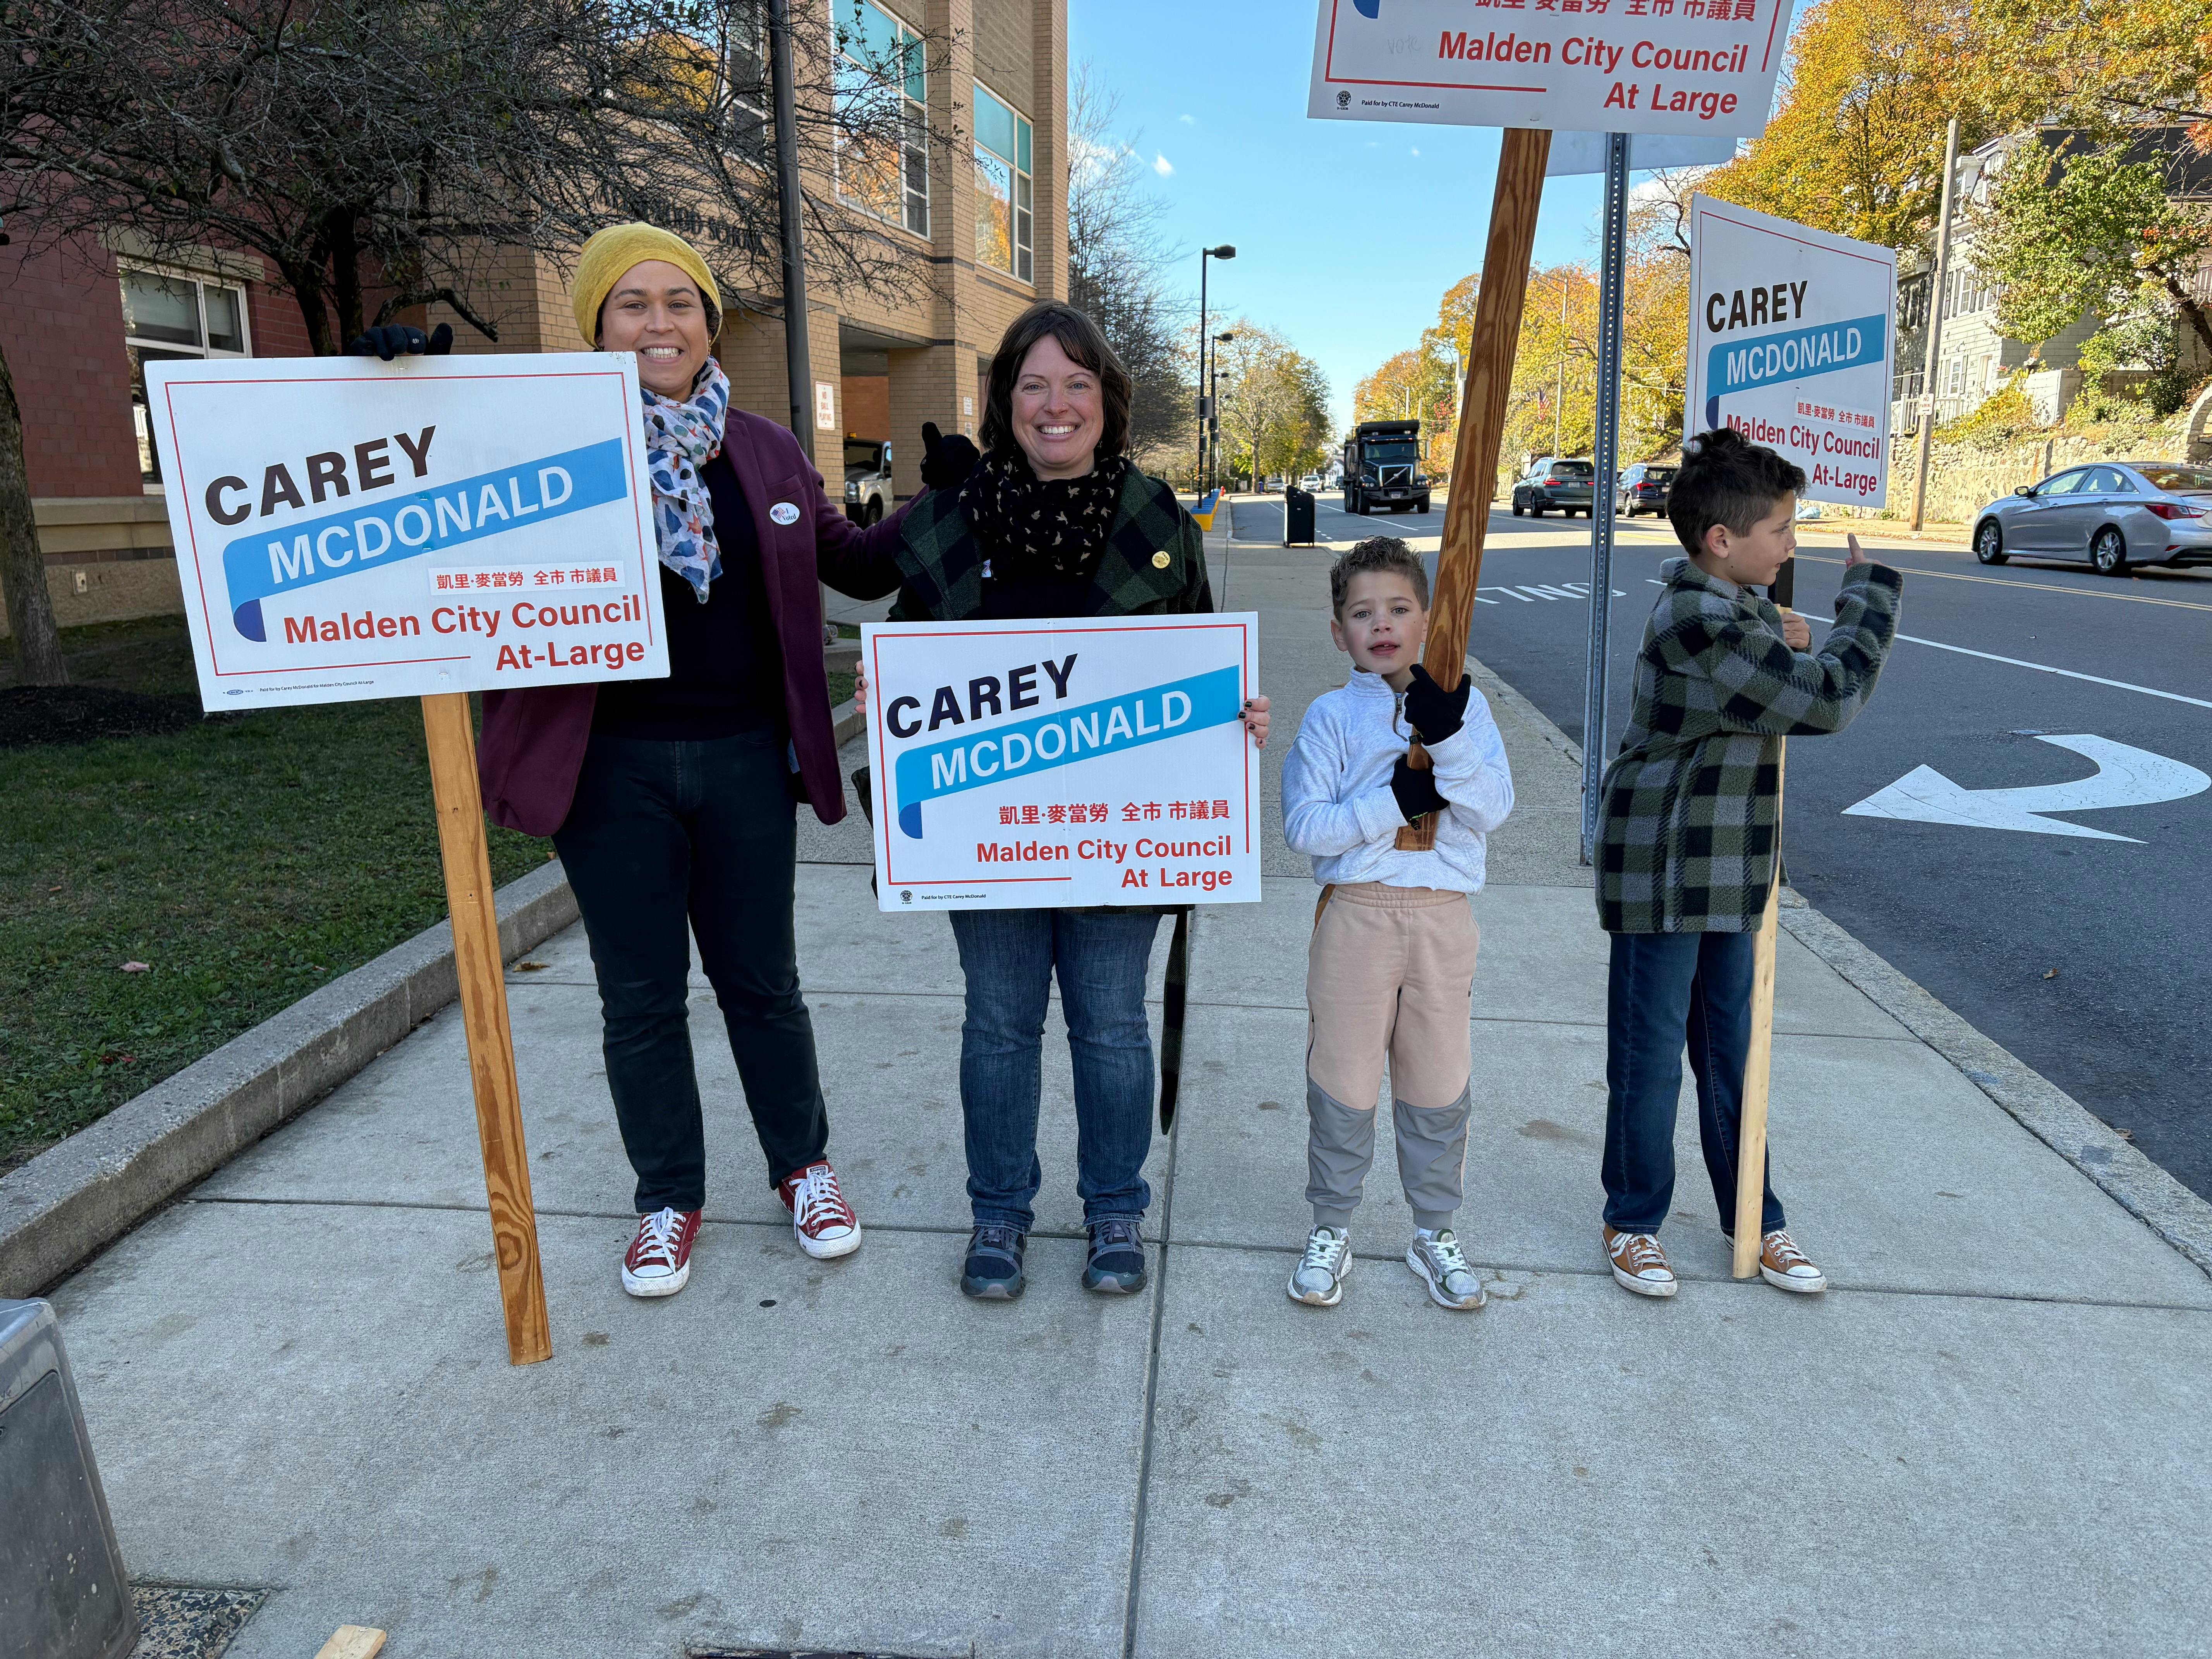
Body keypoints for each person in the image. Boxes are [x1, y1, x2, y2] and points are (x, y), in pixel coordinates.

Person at [444, 223, 958, 1300]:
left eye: (680, 302)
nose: (658, 322)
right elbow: (438, 496)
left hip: (740, 764)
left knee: (762, 982)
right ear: (597, 324)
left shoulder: (765, 448)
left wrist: (941, 500)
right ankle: (668, 1198)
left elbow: (853, 565)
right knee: (639, 997)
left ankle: (801, 1167)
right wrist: (392, 389)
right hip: (607, 767)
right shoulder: (541, 447)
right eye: (631, 303)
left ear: (709, 322)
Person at [831, 299, 1268, 1302]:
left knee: (1111, 1025)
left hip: (1123, 837)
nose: (1056, 403)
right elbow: (909, 656)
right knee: (998, 1023)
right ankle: (1000, 1212)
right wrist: (882, 692)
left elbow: (1198, 647)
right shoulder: (945, 522)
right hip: (990, 839)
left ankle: (1115, 1205)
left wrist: (1231, 711)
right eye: (1034, 383)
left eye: (1077, 382)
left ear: (1107, 401)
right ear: (1005, 401)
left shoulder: (1156, 515)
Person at [1594, 426, 1902, 1299]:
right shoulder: (1695, 619)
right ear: (1721, 541)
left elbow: (1776, 648)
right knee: (1650, 1055)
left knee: (1734, 1052)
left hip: (1732, 866)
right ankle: (1633, 1219)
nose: (1792, 544)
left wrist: (1789, 623)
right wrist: (1866, 604)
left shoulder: (1738, 609)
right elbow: (1825, 702)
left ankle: (1755, 1223)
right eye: (1780, 530)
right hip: (1663, 864)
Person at [1278, 538, 1515, 1312]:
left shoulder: (1467, 708)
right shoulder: (1329, 717)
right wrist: (1395, 805)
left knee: (1437, 1079)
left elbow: (1490, 810)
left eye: (1399, 609)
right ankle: (1331, 1226)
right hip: (1358, 916)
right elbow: (1307, 828)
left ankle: (1435, 1230)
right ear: (1338, 630)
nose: (1381, 624)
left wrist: (1447, 743)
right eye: (1362, 613)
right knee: (1342, 1077)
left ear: (1428, 620)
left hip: (1443, 920)